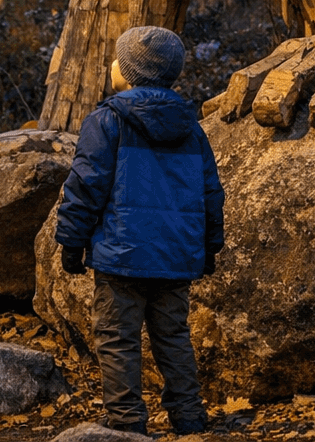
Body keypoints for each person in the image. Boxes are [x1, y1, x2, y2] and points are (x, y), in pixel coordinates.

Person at [54, 26, 225, 436]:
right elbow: (210, 192)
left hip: (121, 255)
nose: (112, 64)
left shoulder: (107, 120)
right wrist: (209, 247)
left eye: (118, 59)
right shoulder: (191, 127)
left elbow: (86, 184)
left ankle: (127, 424)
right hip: (175, 256)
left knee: (117, 340)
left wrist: (71, 241)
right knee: (173, 338)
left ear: (128, 72)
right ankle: (189, 419)